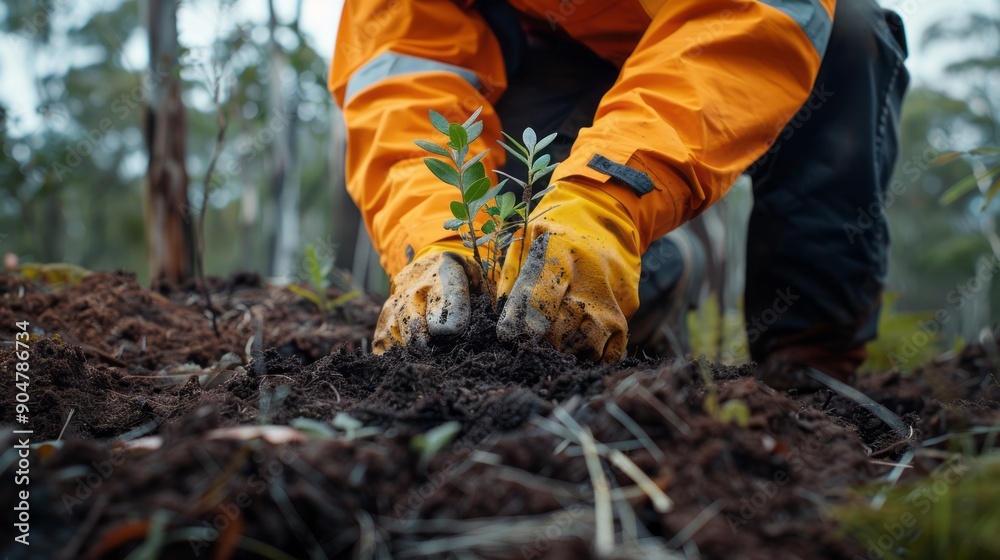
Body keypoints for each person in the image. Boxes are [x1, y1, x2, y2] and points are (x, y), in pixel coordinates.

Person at [328, 0, 909, 390]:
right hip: (553, 56)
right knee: (530, 263)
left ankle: (810, 376)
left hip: (722, 38)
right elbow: (403, 77)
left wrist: (608, 197)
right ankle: (649, 295)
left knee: (851, 34)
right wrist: (439, 239)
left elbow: (747, 19)